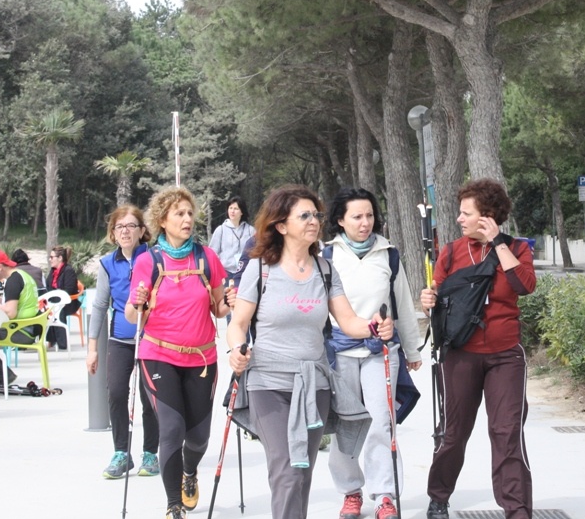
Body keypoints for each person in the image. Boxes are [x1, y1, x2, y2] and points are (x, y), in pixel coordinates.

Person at [226, 184, 394, 519]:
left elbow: (349, 322)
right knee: (287, 470)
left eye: (315, 215)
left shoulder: (325, 270)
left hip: (314, 385)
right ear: (281, 225)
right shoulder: (260, 269)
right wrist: (236, 349)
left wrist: (375, 327)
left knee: (302, 473)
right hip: (268, 385)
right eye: (304, 216)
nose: (314, 221)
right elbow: (238, 323)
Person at [420, 178, 536, 519]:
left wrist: (497, 242)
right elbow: (438, 297)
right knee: (454, 432)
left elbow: (524, 285)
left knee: (507, 433)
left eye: (466, 213)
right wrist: (428, 301)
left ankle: (517, 510)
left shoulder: (516, 249)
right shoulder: (451, 252)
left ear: (487, 216)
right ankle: (439, 496)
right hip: (460, 353)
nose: (459, 219)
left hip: (505, 355)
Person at [127, 186, 231, 519]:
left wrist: (228, 303)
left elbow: (219, 309)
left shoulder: (206, 258)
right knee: (171, 429)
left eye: (189, 213)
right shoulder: (147, 261)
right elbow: (131, 315)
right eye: (179, 214)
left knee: (198, 438)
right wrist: (138, 302)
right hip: (158, 355)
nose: (187, 219)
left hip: (202, 358)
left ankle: (189, 471)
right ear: (162, 220)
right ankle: (174, 505)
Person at [324, 187, 423, 519]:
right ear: (341, 220)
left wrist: (412, 348)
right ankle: (350, 491)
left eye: (369, 215)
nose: (365, 222)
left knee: (382, 422)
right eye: (356, 217)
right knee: (346, 425)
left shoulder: (388, 254)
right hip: (339, 353)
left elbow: (403, 305)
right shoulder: (327, 256)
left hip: (381, 350)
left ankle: (385, 495)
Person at [87, 204, 160, 479]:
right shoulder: (108, 264)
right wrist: (92, 349)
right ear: (113, 233)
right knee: (116, 392)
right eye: (119, 227)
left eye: (131, 226)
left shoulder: (154, 258)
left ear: (142, 231)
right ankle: (121, 452)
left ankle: (150, 453)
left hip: (151, 338)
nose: (125, 231)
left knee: (149, 396)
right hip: (120, 339)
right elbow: (99, 305)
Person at [0, 246, 40, 385]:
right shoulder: (21, 275)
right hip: (30, 327)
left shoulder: (13, 281)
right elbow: (14, 303)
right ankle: (2, 375)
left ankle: (1, 375)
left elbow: (10, 313)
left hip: (21, 331)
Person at [45, 245, 80, 350]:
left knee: (56, 308)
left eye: (52, 257)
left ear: (60, 258)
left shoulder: (68, 270)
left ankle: (62, 342)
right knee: (44, 308)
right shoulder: (53, 271)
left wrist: (55, 298)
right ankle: (49, 339)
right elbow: (48, 286)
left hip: (69, 302)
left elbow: (68, 290)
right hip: (55, 300)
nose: (50, 259)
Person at [210, 195, 256, 274]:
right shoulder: (221, 230)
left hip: (245, 272)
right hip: (225, 272)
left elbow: (257, 251)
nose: (232, 211)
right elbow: (212, 253)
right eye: (230, 208)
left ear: (242, 212)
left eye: (236, 209)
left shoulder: (250, 230)